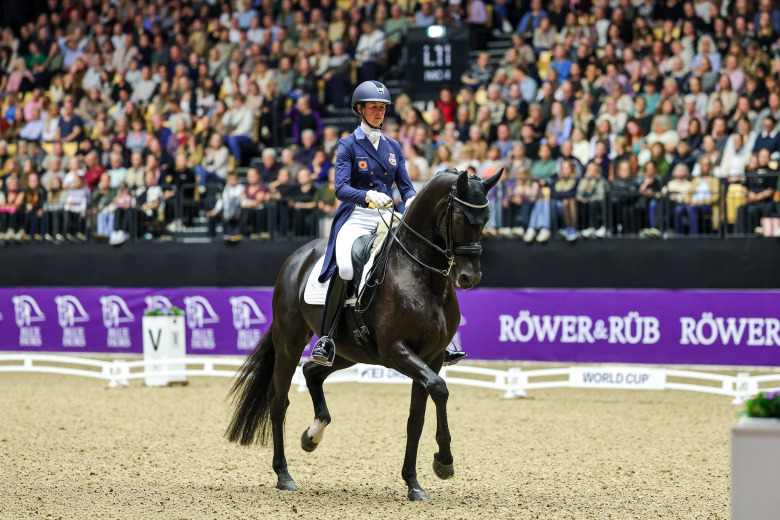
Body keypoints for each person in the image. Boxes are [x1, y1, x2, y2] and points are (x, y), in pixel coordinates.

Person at [312, 81, 466, 368]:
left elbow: (405, 186)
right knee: (345, 267)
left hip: (388, 217)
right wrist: (367, 196)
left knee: (420, 258)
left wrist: (411, 201)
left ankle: (439, 339)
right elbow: (341, 188)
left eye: (382, 108)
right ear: (360, 109)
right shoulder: (347, 144)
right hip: (357, 217)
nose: (379, 113)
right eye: (373, 107)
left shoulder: (393, 146)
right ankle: (327, 337)